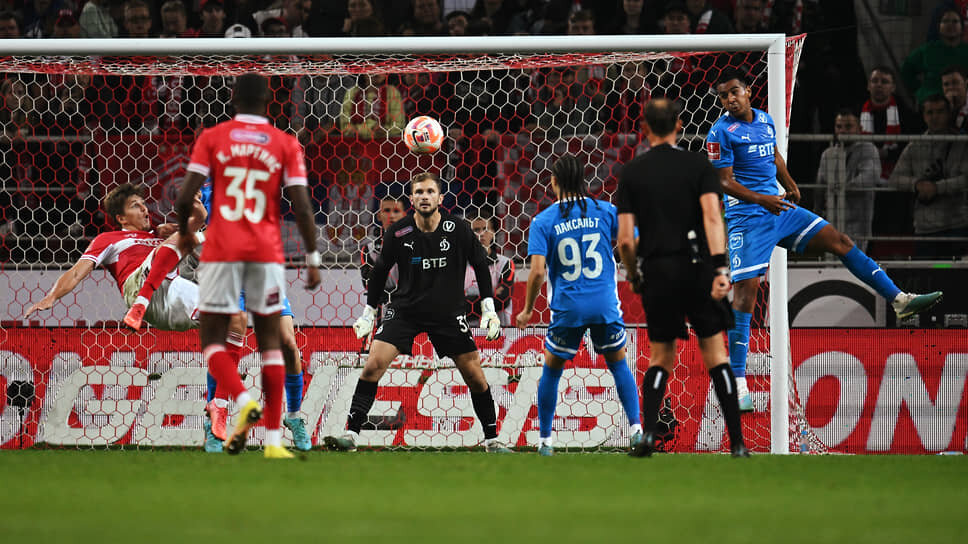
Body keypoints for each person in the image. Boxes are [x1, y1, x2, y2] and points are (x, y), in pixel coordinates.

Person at [708, 69, 942, 411]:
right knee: (746, 295)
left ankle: (899, 299)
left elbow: (772, 155)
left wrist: (789, 182)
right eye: (723, 96)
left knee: (841, 241)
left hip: (780, 209)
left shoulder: (765, 119)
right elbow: (724, 182)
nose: (729, 99)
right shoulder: (720, 132)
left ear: (747, 91)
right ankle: (738, 385)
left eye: (733, 92)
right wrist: (763, 199)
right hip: (748, 219)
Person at [173, 74, 321, 460]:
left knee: (284, 343)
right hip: (243, 255)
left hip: (243, 255)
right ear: (269, 101)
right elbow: (302, 205)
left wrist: (187, 230)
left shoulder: (215, 142)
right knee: (236, 335)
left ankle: (291, 416)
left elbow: (183, 197)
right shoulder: (274, 145)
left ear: (234, 99)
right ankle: (216, 420)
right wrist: (313, 256)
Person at [323, 172, 509, 453]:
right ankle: (350, 434)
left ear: (440, 197)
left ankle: (492, 440)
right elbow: (379, 272)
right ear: (411, 199)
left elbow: (481, 266)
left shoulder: (458, 229)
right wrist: (368, 312)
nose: (424, 196)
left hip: (447, 313)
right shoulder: (399, 232)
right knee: (373, 365)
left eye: (430, 191)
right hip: (405, 310)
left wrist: (488, 308)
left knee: (474, 376)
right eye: (419, 192)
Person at [614, 98, 747, 458]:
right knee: (715, 353)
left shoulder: (633, 172)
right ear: (679, 124)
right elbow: (713, 218)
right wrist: (721, 268)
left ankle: (648, 438)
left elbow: (625, 239)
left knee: (661, 356)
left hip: (658, 270)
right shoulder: (698, 164)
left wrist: (634, 272)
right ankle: (736, 443)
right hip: (699, 267)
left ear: (644, 128)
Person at [514, 154, 643, 457]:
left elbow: (536, 272)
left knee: (552, 369)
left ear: (554, 182)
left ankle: (545, 441)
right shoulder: (605, 210)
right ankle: (637, 430)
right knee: (618, 364)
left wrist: (528, 309)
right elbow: (631, 239)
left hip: (568, 307)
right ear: (584, 181)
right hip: (603, 304)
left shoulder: (543, 220)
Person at [24, 183, 208, 332]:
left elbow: (199, 220)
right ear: (121, 218)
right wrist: (51, 297)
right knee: (189, 239)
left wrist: (196, 205)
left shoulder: (159, 236)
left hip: (171, 299)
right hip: (138, 288)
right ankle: (140, 305)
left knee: (232, 319)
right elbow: (75, 273)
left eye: (143, 204)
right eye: (136, 205)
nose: (144, 209)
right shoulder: (108, 239)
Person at [889, 94, 968, 259]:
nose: (935, 117)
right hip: (925, 228)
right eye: (930, 112)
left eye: (940, 112)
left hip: (957, 225)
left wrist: (937, 188)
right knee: (928, 279)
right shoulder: (914, 145)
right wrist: (917, 185)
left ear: (948, 114)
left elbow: (965, 179)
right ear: (924, 116)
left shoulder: (962, 143)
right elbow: (895, 179)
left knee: (957, 280)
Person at [815, 109, 880, 252]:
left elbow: (870, 177)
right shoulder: (828, 154)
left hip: (858, 224)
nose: (843, 131)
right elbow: (820, 188)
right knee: (830, 268)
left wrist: (843, 188)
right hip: (831, 221)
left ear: (860, 128)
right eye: (839, 127)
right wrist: (817, 216)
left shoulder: (868, 149)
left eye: (848, 126)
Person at [902, 8, 968, 107]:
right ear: (939, 27)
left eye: (955, 21)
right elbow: (906, 71)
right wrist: (921, 92)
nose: (950, 25)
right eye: (945, 21)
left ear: (962, 27)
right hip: (931, 105)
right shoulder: (927, 50)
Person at [359, 191, 407, 320]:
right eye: (386, 210)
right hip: (383, 311)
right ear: (379, 215)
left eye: (396, 211)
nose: (391, 215)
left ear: (404, 215)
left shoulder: (417, 244)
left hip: (413, 310)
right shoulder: (369, 249)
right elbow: (369, 283)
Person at [465, 216, 513, 327]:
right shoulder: (459, 265)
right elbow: (452, 304)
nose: (482, 234)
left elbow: (502, 300)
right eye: (476, 230)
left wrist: (469, 301)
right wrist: (489, 297)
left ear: (493, 233)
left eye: (486, 229)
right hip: (466, 332)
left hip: (499, 332)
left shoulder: (505, 263)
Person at [941, 65, 968, 132]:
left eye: (955, 83)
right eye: (946, 84)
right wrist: (949, 110)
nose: (950, 88)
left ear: (966, 83)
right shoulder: (939, 106)